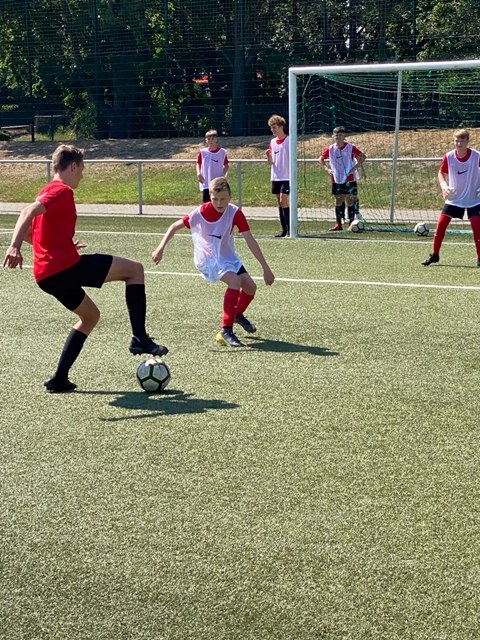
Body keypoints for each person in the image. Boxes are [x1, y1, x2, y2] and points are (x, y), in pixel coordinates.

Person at [2, 144, 168, 393]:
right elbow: (27, 211)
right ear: (72, 166)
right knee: (135, 270)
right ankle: (139, 338)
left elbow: (31, 233)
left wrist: (61, 245)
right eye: (81, 169)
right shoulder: (61, 190)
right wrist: (14, 246)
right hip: (66, 268)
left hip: (46, 276)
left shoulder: (47, 190)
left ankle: (59, 379)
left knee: (90, 317)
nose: (82, 174)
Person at [152, 177, 275, 347]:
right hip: (207, 259)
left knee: (250, 288)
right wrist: (160, 248)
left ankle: (236, 314)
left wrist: (265, 268)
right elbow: (174, 226)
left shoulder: (235, 212)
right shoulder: (200, 212)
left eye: (223, 199)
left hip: (228, 257)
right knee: (235, 281)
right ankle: (226, 330)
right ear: (209, 196)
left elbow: (250, 240)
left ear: (230, 197)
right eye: (215, 199)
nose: (219, 203)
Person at [422, 128, 480, 266]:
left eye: (461, 141)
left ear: (467, 141)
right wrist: (444, 186)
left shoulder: (477, 156)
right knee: (441, 225)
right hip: (454, 198)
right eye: (456, 141)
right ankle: (435, 255)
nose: (458, 143)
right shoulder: (449, 156)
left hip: (474, 199)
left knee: (477, 228)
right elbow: (441, 173)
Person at [320, 126, 366, 231]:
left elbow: (363, 157)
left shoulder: (350, 147)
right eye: (336, 135)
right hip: (336, 178)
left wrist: (355, 168)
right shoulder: (330, 149)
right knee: (338, 200)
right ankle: (338, 224)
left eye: (340, 135)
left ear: (344, 136)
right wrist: (328, 169)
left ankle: (351, 223)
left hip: (349, 178)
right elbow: (321, 159)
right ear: (333, 136)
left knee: (350, 199)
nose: (338, 137)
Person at [266, 114, 290, 237]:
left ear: (281, 127)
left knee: (283, 200)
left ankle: (290, 228)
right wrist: (268, 156)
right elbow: (271, 162)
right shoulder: (272, 142)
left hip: (286, 176)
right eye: (271, 128)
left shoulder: (289, 141)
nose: (273, 130)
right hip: (276, 176)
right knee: (279, 203)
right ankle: (284, 230)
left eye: (274, 127)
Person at [196, 129, 229, 203]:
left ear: (216, 139)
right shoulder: (203, 152)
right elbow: (198, 163)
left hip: (217, 182)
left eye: (213, 139)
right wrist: (198, 173)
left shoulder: (222, 152)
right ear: (206, 140)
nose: (211, 141)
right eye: (208, 139)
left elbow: (226, 166)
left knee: (217, 202)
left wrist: (225, 176)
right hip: (206, 182)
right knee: (207, 203)